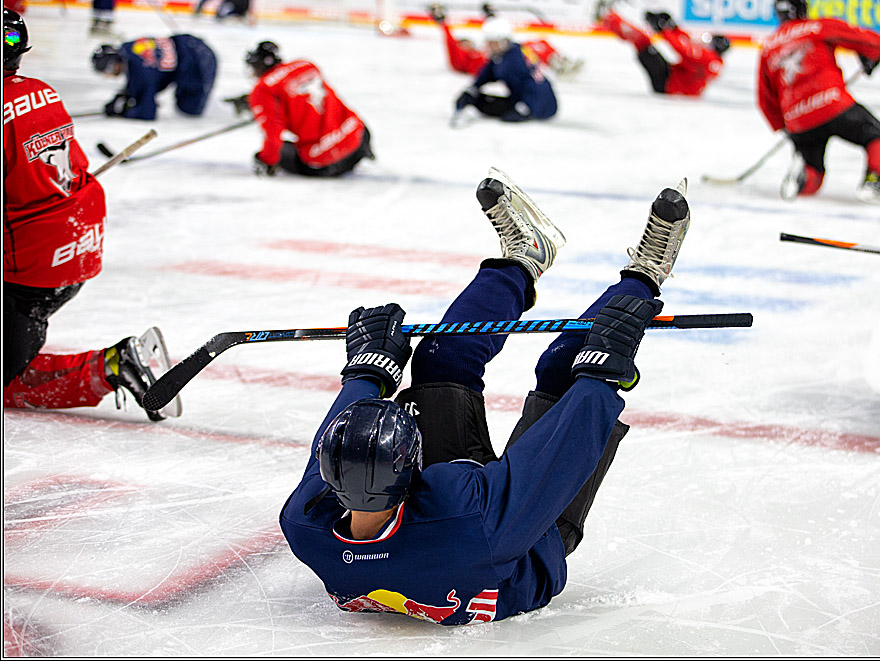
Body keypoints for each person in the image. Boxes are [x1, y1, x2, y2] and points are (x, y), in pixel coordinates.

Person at [279, 166, 692, 625]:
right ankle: (647, 273)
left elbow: (343, 442)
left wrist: (367, 373)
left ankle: (523, 258)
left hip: (464, 530)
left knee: (440, 361)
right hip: (528, 538)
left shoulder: (307, 520)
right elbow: (558, 460)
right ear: (414, 473)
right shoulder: (461, 511)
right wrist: (602, 377)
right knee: (563, 371)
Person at [3, 8, 175, 421]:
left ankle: (113, 366)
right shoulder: (41, 90)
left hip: (31, 261)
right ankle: (111, 366)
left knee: (8, 378)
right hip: (77, 240)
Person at [757, 0, 880, 206]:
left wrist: (785, 128)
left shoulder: (768, 46)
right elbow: (873, 42)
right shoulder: (817, 27)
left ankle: (804, 174)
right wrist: (869, 58)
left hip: (797, 120)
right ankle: (874, 182)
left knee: (813, 175)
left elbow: (765, 98)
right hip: (833, 105)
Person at [242, 40, 373, 178]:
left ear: (260, 64)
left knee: (283, 150)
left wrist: (265, 161)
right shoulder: (305, 65)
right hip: (358, 139)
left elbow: (273, 136)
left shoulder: (263, 90)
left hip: (328, 162)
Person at [593, 0, 729, 97]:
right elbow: (688, 44)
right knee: (642, 43)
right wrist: (673, 28)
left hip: (668, 85)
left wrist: (665, 31)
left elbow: (683, 49)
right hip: (674, 84)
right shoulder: (714, 61)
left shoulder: (708, 57)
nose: (706, 43)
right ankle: (609, 19)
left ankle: (608, 18)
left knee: (642, 41)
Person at [428, 3, 583, 79]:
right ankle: (558, 66)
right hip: (504, 63)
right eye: (464, 43)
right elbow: (451, 45)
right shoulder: (464, 60)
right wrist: (444, 24)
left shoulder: (481, 49)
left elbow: (494, 33)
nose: (469, 44)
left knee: (540, 42)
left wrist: (490, 16)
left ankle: (561, 61)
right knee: (529, 51)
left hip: (505, 53)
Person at [91, 34, 218, 121]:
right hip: (189, 45)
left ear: (113, 64)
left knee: (189, 110)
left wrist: (124, 113)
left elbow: (147, 113)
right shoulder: (127, 48)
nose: (110, 76)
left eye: (108, 71)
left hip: (199, 62)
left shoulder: (140, 74)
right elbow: (149, 71)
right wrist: (127, 95)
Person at [453, 18, 558, 123]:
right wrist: (472, 89)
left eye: (492, 43)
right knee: (482, 102)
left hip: (541, 106)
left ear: (502, 42)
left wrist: (524, 108)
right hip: (523, 98)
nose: (488, 46)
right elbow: (488, 73)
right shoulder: (506, 54)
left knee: (500, 112)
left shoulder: (515, 60)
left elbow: (535, 86)